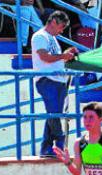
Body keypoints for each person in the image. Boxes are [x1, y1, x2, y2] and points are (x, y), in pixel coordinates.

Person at [31, 11, 78, 157]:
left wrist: (66, 54)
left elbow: (53, 58)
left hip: (57, 80)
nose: (62, 30)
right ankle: (59, 144)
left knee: (53, 114)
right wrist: (63, 56)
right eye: (62, 26)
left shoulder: (51, 38)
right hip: (47, 80)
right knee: (54, 114)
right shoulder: (40, 36)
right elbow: (44, 57)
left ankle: (47, 148)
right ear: (54, 22)